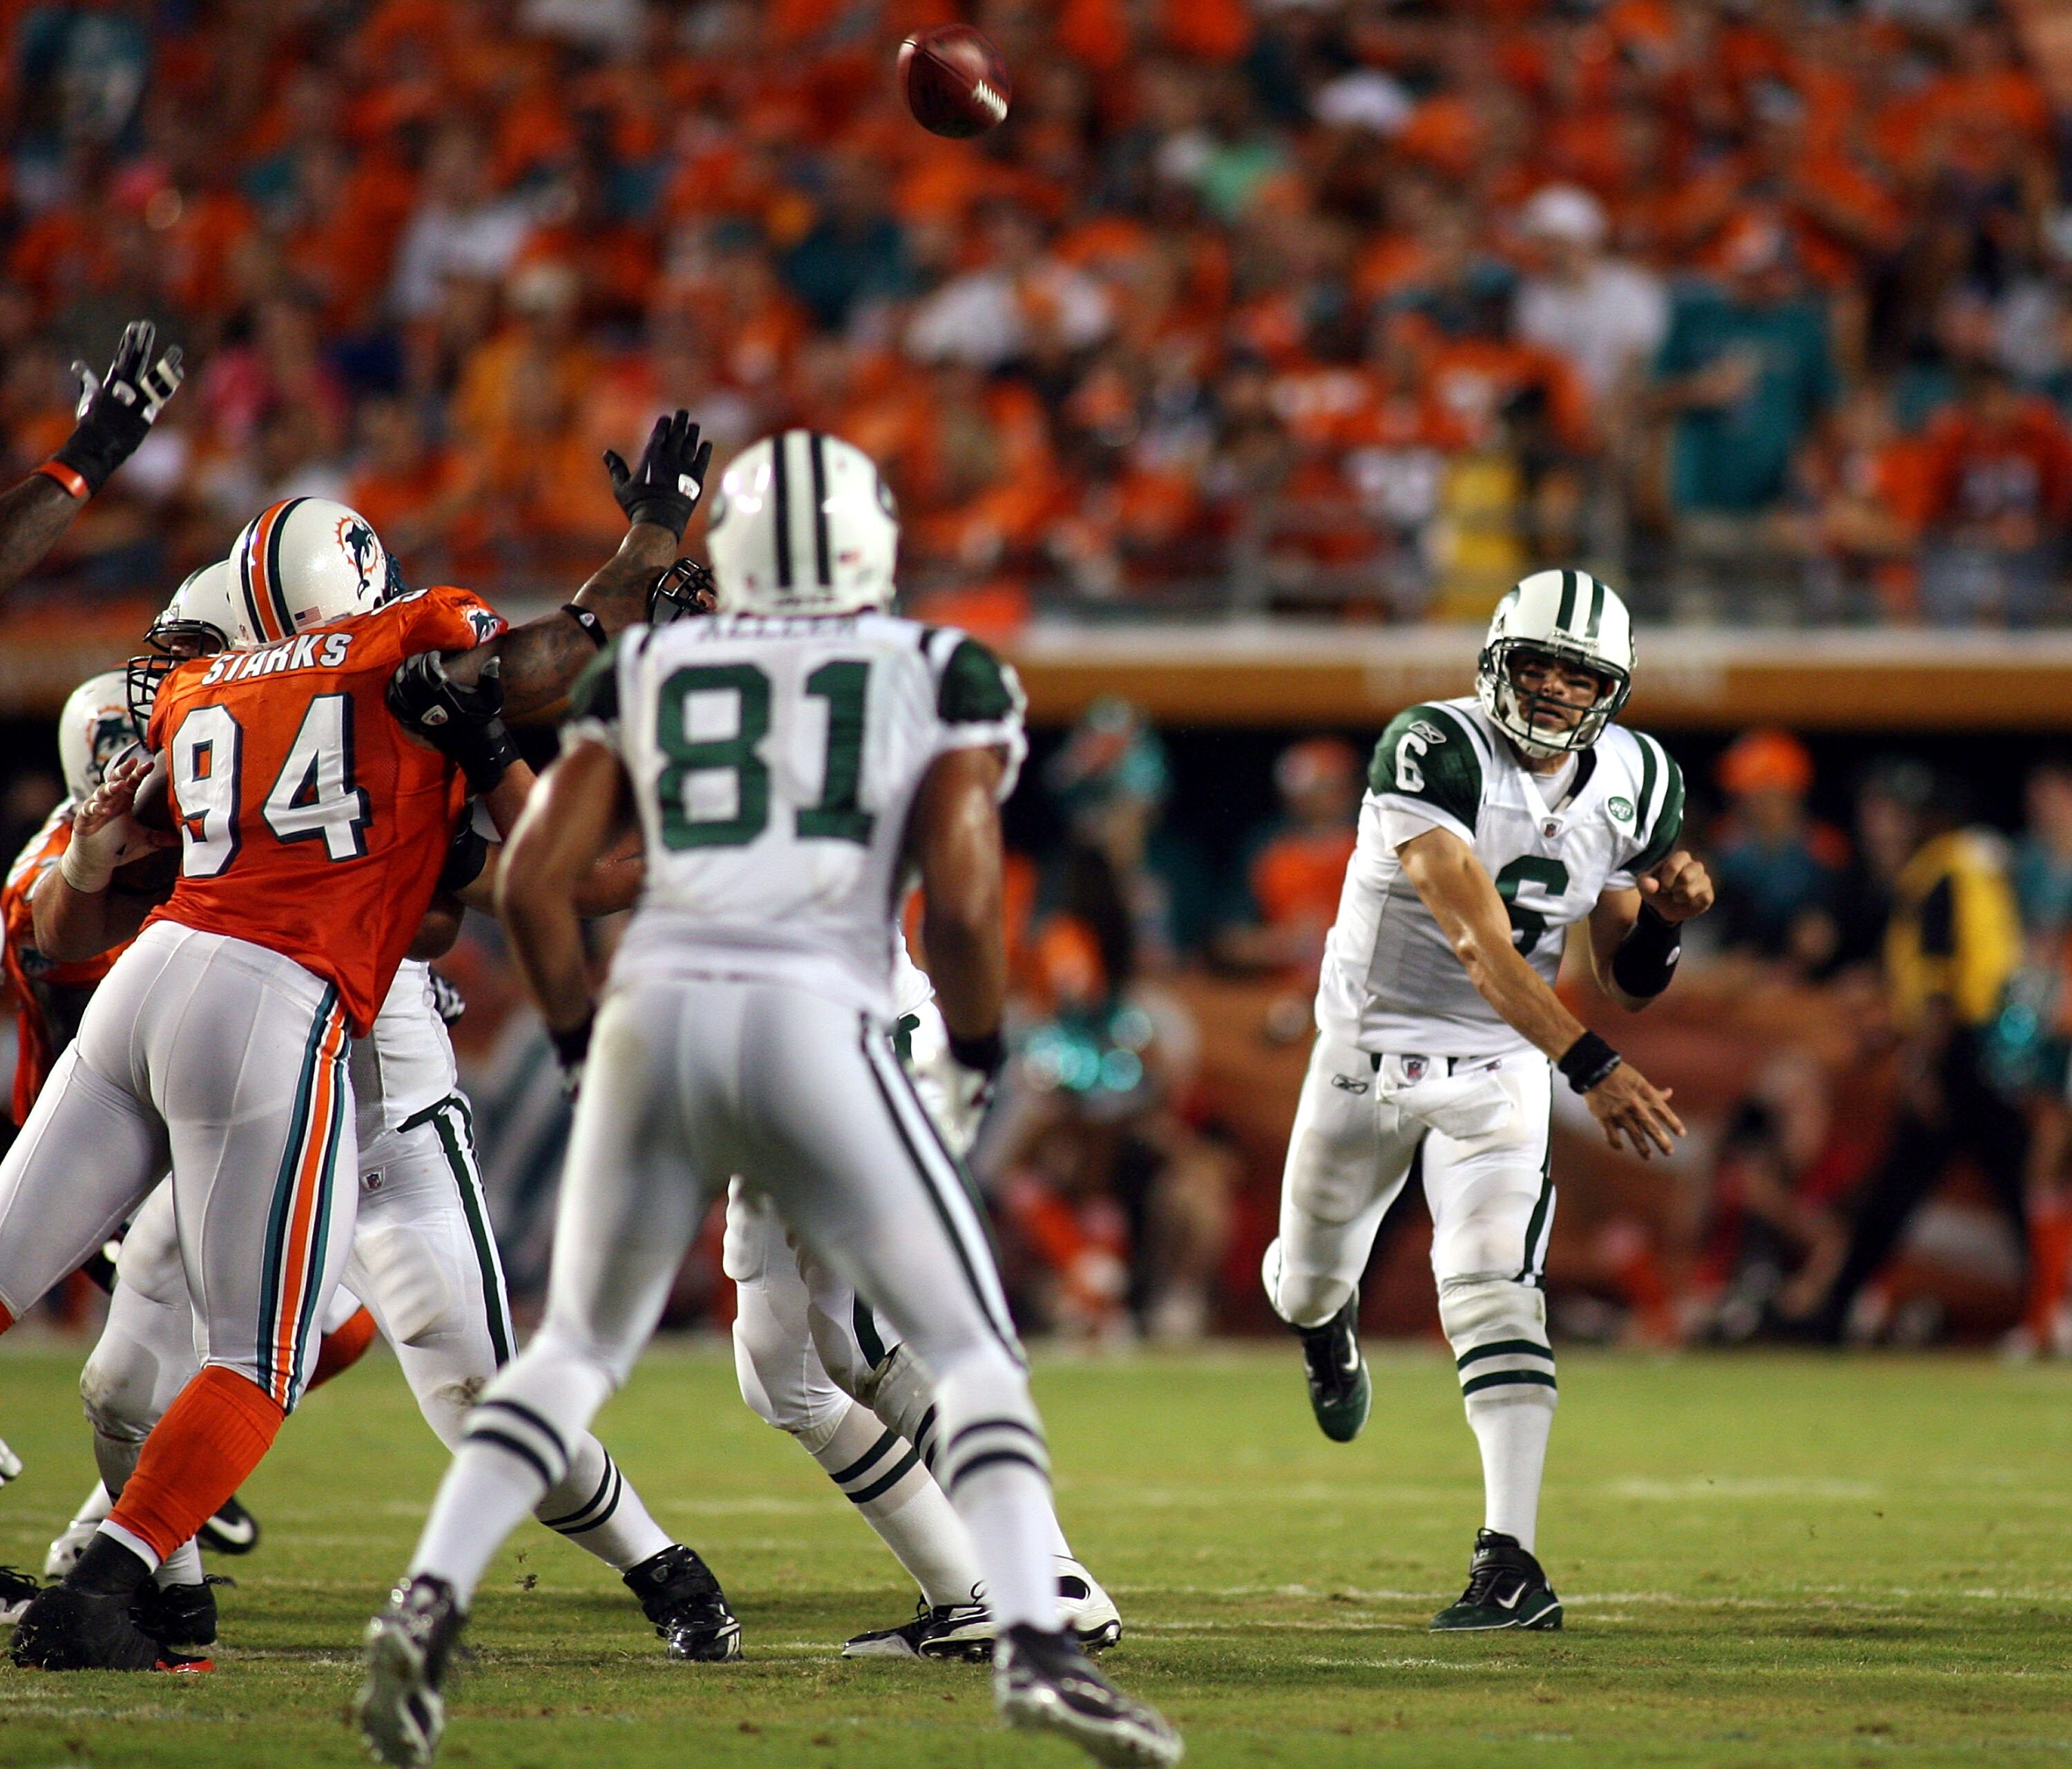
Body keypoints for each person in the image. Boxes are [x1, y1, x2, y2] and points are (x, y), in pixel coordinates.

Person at [357, 431, 1180, 1769]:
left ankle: (429, 1597)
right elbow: (966, 889)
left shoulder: (650, 670)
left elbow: (543, 882)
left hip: (666, 1020)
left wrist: (577, 1050)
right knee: (951, 1345)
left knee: (619, 1353)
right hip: (831, 1020)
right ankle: (1038, 1629)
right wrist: (978, 1049)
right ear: (873, 547)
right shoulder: (938, 668)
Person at [0, 413, 713, 1672]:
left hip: (167, 995)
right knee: (253, 1359)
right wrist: (654, 536)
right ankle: (115, 1581)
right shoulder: (408, 648)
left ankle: (138, 1571)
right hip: (272, 1015)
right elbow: (558, 657)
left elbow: (84, 921)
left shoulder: (201, 689)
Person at [1263, 568, 1711, 1631]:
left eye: (1579, 674)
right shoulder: (1435, 747)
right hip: (1369, 1055)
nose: (1555, 687)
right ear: (1497, 662)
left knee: (1493, 1288)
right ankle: (1327, 1329)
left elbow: (1619, 978)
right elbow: (1478, 943)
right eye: (1539, 664)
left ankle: (1510, 1563)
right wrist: (1592, 1066)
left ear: (1612, 689)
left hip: (1502, 1064)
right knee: (1305, 1283)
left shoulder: (1640, 777)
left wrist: (1663, 923)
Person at [1794, 767, 2028, 1342]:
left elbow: (1940, 983)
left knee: (1928, 1187)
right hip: (1989, 1044)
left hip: (1964, 1051)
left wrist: (1924, 1066)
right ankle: (1836, 1308)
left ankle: (1835, 1310)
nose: (1882, 828)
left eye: (1894, 814)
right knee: (1984, 1184)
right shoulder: (1965, 862)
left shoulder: (1939, 870)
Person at [0, 320, 182, 604]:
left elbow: (135, 511)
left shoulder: (61, 424)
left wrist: (93, 451)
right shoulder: (12, 430)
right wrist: (89, 453)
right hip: (43, 579)